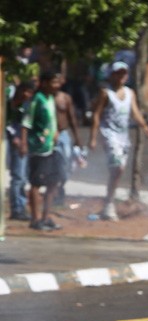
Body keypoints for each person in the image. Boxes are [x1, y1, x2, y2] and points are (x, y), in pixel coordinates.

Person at [89, 61, 148, 221]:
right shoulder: (106, 93)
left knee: (117, 171)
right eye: (118, 73)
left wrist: (144, 126)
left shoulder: (130, 93)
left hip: (123, 136)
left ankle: (108, 202)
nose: (122, 76)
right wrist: (93, 137)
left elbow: (135, 112)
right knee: (118, 167)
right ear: (112, 75)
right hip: (109, 133)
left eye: (124, 73)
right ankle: (109, 204)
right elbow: (96, 114)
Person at [20, 72, 64, 231]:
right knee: (36, 183)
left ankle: (46, 217)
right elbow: (26, 122)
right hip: (38, 148)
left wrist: (56, 131)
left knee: (54, 181)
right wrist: (24, 143)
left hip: (51, 147)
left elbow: (52, 119)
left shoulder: (50, 98)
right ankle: (35, 219)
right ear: (45, 83)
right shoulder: (36, 99)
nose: (57, 85)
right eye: (54, 82)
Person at [6, 82, 35, 221]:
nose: (27, 95)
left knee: (22, 178)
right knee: (18, 177)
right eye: (26, 91)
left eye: (30, 93)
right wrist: (16, 139)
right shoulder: (9, 105)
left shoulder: (26, 106)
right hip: (15, 143)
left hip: (24, 143)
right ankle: (17, 208)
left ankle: (20, 207)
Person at [54, 74, 83, 205]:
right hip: (50, 135)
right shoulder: (44, 98)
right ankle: (53, 191)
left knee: (66, 166)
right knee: (52, 165)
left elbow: (72, 118)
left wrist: (77, 138)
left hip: (63, 134)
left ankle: (60, 188)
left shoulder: (65, 98)